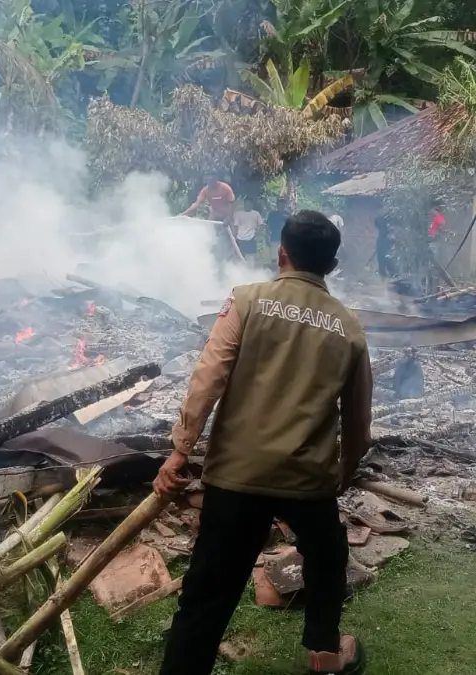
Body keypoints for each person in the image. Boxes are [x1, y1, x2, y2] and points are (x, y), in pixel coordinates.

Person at [154, 210, 372, 675]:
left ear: (281, 254)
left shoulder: (247, 301)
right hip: (308, 481)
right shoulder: (350, 328)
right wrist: (342, 473)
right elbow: (358, 424)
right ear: (331, 266)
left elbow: (208, 378)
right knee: (328, 559)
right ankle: (326, 655)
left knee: (208, 589)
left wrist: (180, 451)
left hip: (237, 475)